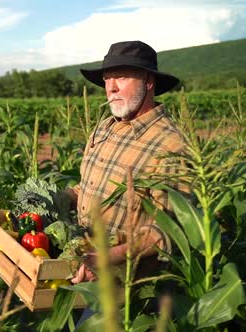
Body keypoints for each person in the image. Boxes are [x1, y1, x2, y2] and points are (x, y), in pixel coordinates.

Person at [66, 40, 186, 284]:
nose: (111, 88)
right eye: (107, 79)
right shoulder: (104, 129)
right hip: (82, 267)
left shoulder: (171, 146)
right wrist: (62, 197)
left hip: (128, 287)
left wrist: (109, 257)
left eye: (121, 78)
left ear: (148, 82)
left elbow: (170, 230)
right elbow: (88, 189)